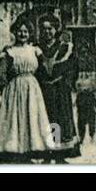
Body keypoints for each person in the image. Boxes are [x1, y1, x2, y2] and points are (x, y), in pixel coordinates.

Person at [0, 23, 55, 163]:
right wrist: (5, 87)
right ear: (14, 32)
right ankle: (13, 150)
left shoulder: (35, 50)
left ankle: (31, 149)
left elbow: (45, 69)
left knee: (32, 117)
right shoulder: (9, 51)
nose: (22, 34)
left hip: (32, 88)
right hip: (15, 87)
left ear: (29, 33)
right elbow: (1, 72)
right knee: (14, 118)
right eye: (19, 31)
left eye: (25, 31)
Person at [35, 14, 80, 162]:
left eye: (50, 29)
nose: (47, 32)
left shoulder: (64, 48)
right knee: (46, 120)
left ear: (56, 30)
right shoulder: (36, 49)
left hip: (60, 91)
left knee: (61, 120)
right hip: (43, 90)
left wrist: (66, 83)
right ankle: (47, 154)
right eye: (44, 29)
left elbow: (73, 68)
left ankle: (60, 155)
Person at [75, 78, 96, 145]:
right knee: (85, 126)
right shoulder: (86, 95)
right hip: (87, 113)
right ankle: (84, 138)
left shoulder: (84, 95)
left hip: (86, 113)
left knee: (87, 126)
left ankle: (89, 137)